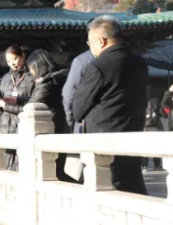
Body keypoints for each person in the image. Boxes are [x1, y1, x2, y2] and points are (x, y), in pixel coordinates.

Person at [73, 15, 148, 195]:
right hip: (133, 135)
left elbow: (78, 110)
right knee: (133, 189)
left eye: (90, 42)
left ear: (101, 41)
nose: (89, 47)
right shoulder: (139, 62)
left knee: (108, 192)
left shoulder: (98, 66)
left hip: (104, 142)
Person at [26, 49, 76, 182]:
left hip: (51, 129)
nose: (31, 72)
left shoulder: (47, 84)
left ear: (37, 66)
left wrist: (5, 106)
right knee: (59, 170)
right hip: (63, 126)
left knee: (53, 172)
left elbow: (30, 108)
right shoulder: (61, 77)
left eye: (31, 68)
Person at [0, 45, 35, 170]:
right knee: (5, 167)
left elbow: (33, 101)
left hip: (22, 125)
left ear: (23, 56)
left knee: (22, 166)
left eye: (15, 59)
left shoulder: (31, 76)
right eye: (9, 61)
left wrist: (11, 103)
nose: (12, 63)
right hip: (5, 127)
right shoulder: (6, 78)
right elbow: (0, 96)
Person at [62, 50, 95, 132]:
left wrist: (71, 120)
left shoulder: (82, 61)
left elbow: (68, 94)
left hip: (85, 122)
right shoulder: (125, 57)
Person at [143, 95, 164, 171]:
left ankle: (144, 166)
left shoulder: (142, 101)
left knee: (145, 147)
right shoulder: (157, 101)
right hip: (155, 127)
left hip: (145, 127)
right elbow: (162, 113)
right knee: (156, 146)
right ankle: (157, 165)